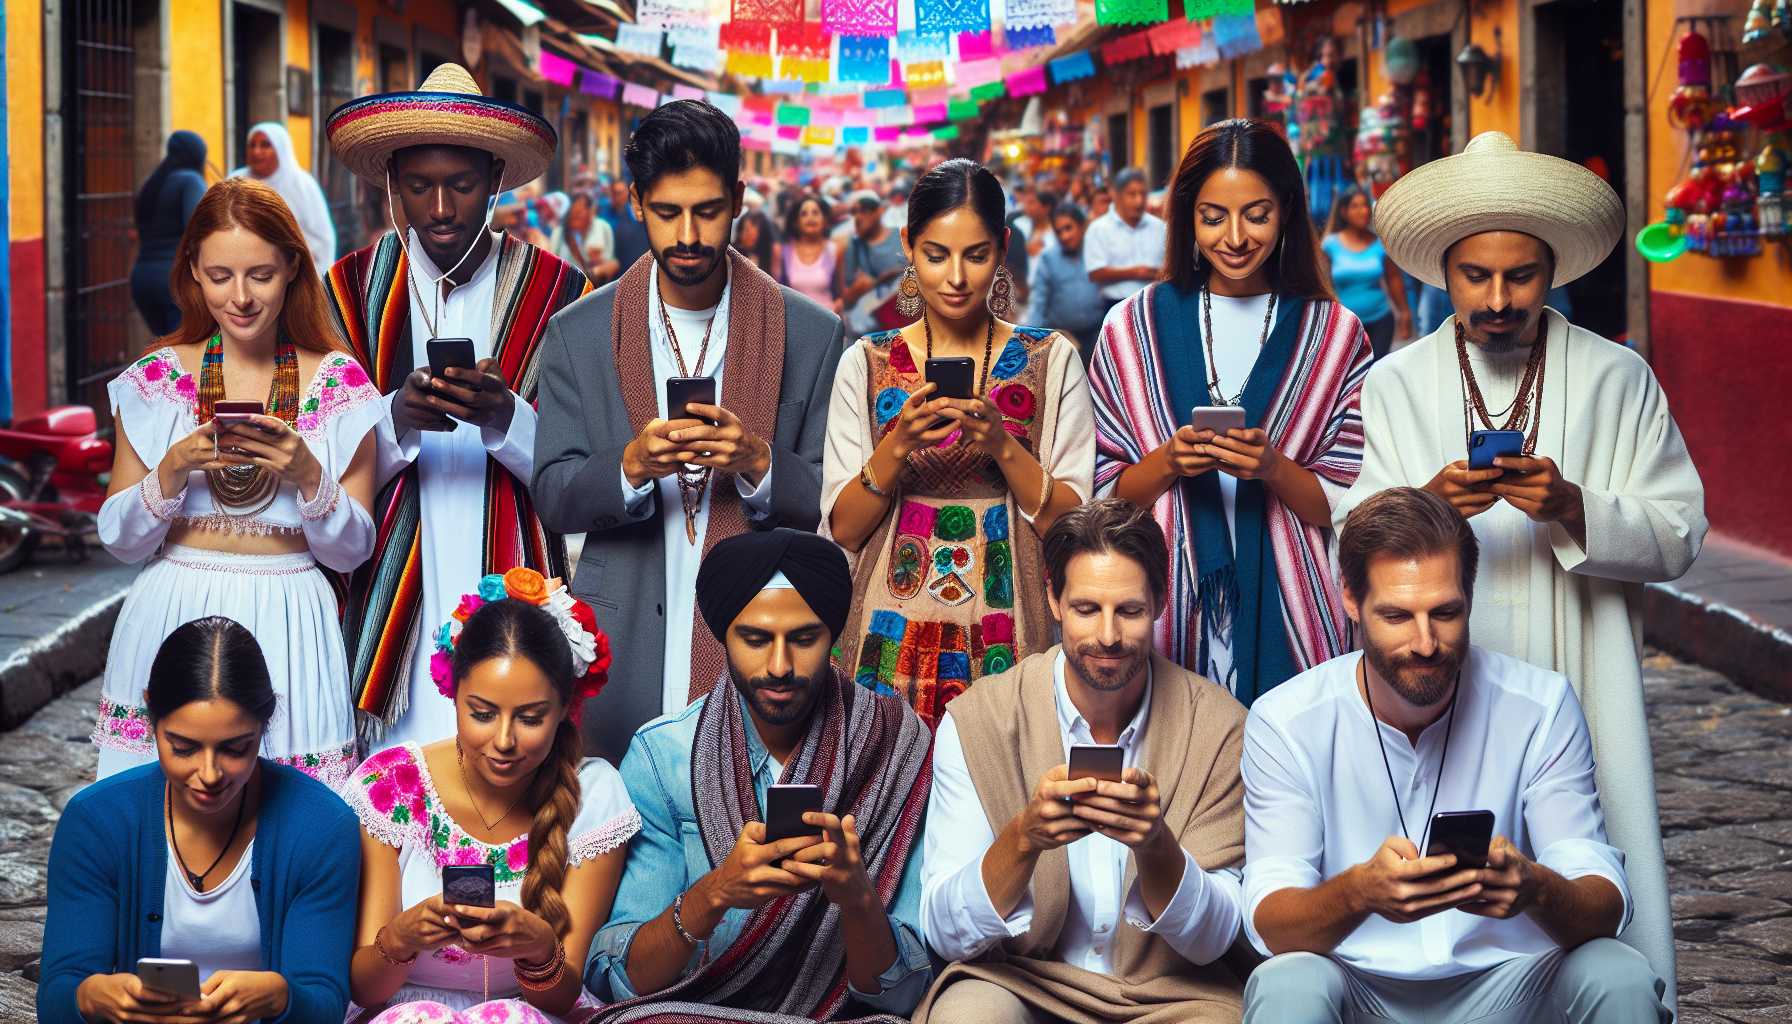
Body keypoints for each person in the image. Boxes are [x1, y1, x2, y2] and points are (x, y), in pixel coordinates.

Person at [1340, 130, 1706, 1004]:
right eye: (1477, 277)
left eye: (1522, 277)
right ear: (1444, 274)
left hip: (1584, 662)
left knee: (1586, 858)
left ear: (1552, 272)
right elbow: (1348, 545)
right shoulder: (1395, 384)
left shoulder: (1620, 379)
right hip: (1441, 676)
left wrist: (1573, 507)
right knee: (1451, 881)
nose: (1500, 298)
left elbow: (1682, 532)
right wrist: (1425, 505)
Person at [1242, 487, 1670, 1022]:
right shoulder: (1286, 719)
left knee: (1617, 971)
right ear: (1350, 599)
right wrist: (1358, 893)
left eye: (1445, 612)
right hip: (1360, 992)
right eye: (1397, 616)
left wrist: (1535, 888)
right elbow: (1270, 920)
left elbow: (1602, 902)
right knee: (1287, 982)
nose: (1425, 643)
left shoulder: (1540, 704)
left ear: (1470, 596)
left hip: (1508, 988)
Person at [532, 100, 845, 763]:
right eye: (668, 213)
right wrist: (631, 464)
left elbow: (834, 503)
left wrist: (759, 462)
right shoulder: (578, 333)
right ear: (638, 203)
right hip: (622, 644)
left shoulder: (812, 335)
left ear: (737, 200)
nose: (688, 236)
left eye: (706, 211)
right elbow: (554, 496)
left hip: (765, 647)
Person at [322, 63, 593, 752]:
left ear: (496, 178)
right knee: (400, 777)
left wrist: (505, 419)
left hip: (512, 573)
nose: (441, 208)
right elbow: (319, 467)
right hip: (390, 588)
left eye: (462, 186)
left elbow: (582, 472)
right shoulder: (348, 291)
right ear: (392, 185)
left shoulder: (560, 291)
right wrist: (395, 422)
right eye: (419, 187)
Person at [913, 498, 1248, 1023]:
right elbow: (945, 931)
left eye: (1130, 611)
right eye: (1087, 609)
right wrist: (1023, 839)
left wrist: (1156, 845)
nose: (1108, 636)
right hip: (1025, 984)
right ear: (1054, 599)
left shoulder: (1221, 727)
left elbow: (1215, 941)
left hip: (1170, 994)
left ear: (1160, 602)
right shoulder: (980, 719)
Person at [95, 176, 381, 785]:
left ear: (292, 270)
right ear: (193, 273)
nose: (241, 297)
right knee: (158, 809)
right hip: (171, 609)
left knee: (291, 815)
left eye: (261, 275)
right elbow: (121, 542)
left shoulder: (339, 386)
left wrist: (307, 473)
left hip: (289, 612)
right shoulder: (157, 380)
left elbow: (352, 549)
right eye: (220, 275)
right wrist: (172, 468)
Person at [586, 528, 934, 1021]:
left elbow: (906, 993)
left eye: (803, 638)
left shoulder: (896, 746)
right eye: (754, 638)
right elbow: (619, 981)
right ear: (723, 636)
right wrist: (715, 893)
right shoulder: (665, 755)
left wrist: (857, 898)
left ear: (832, 635)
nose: (779, 665)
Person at [1090, 118, 1371, 706]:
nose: (1235, 237)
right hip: (1165, 598)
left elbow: (1347, 503)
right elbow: (1103, 497)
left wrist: (1272, 466)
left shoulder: (1334, 334)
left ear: (1288, 212)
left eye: (1257, 215)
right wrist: (1167, 460)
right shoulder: (1131, 328)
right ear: (1188, 217)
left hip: (1297, 595)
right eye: (1213, 217)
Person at [823, 158, 1095, 727]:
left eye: (976, 255)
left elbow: (1076, 527)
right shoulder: (866, 363)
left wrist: (1002, 445)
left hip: (1011, 621)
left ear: (1002, 246)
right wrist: (896, 447)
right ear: (907, 245)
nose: (956, 278)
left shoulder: (1051, 360)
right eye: (935, 254)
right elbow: (843, 529)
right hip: (884, 631)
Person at [346, 573, 638, 1022]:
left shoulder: (593, 795)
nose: (504, 740)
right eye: (481, 713)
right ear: (453, 694)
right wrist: (400, 938)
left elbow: (563, 996)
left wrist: (540, 949)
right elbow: (366, 990)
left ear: (564, 709)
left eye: (530, 718)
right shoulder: (393, 784)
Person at [40, 617, 362, 1024]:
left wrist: (282, 998)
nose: (209, 774)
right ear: (152, 720)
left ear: (264, 726)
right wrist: (89, 997)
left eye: (235, 749)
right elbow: (55, 999)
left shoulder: (321, 827)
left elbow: (324, 1003)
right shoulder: (96, 822)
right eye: (183, 748)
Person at [234, 121, 338, 280]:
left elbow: (322, 239)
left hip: (295, 277)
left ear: (281, 149)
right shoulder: (235, 182)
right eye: (252, 145)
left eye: (265, 145)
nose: (256, 151)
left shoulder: (302, 185)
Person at [132, 131, 211, 335]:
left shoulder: (152, 183)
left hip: (142, 278)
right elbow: (197, 228)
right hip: (175, 279)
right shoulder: (191, 180)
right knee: (183, 353)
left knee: (167, 351)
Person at [1321, 186, 1411, 359]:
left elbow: (1393, 279)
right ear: (1344, 212)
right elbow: (1322, 283)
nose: (1362, 211)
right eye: (1355, 206)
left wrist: (1404, 313)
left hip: (1381, 320)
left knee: (1375, 371)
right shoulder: (1330, 245)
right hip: (1345, 324)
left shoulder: (1380, 244)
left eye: (1364, 206)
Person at [1023, 203, 1105, 363]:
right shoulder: (1048, 259)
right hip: (1063, 339)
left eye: (1069, 228)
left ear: (1082, 227)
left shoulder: (1097, 253)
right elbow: (1038, 302)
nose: (1064, 236)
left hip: (1097, 336)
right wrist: (1029, 338)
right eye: (1059, 231)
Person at [1081, 168, 1165, 322]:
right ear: (1117, 196)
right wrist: (1138, 272)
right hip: (1115, 307)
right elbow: (1095, 273)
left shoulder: (1159, 227)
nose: (1139, 201)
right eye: (1132, 194)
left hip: (1155, 306)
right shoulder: (1099, 229)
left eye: (1143, 194)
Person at [839, 189, 909, 336]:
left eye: (864, 210)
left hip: (906, 321)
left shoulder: (901, 236)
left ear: (879, 211)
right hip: (872, 330)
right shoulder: (854, 246)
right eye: (854, 212)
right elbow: (847, 298)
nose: (858, 217)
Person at [778, 194, 838, 310]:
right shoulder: (785, 252)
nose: (810, 218)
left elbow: (841, 294)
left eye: (815, 213)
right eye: (804, 214)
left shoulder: (835, 250)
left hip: (829, 322)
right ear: (796, 222)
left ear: (824, 220)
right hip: (798, 323)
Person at [552, 192, 621, 286]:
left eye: (579, 212)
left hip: (596, 286)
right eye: (572, 213)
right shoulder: (559, 232)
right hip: (567, 286)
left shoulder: (603, 227)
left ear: (590, 211)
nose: (575, 216)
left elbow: (610, 263)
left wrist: (597, 264)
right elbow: (552, 263)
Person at [605, 178, 652, 271]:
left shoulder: (636, 214)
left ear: (627, 193)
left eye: (620, 193)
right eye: (614, 193)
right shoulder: (604, 214)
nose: (618, 197)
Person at [733, 208, 778, 277]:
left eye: (756, 231)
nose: (752, 234)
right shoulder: (733, 254)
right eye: (747, 230)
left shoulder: (766, 254)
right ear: (740, 232)